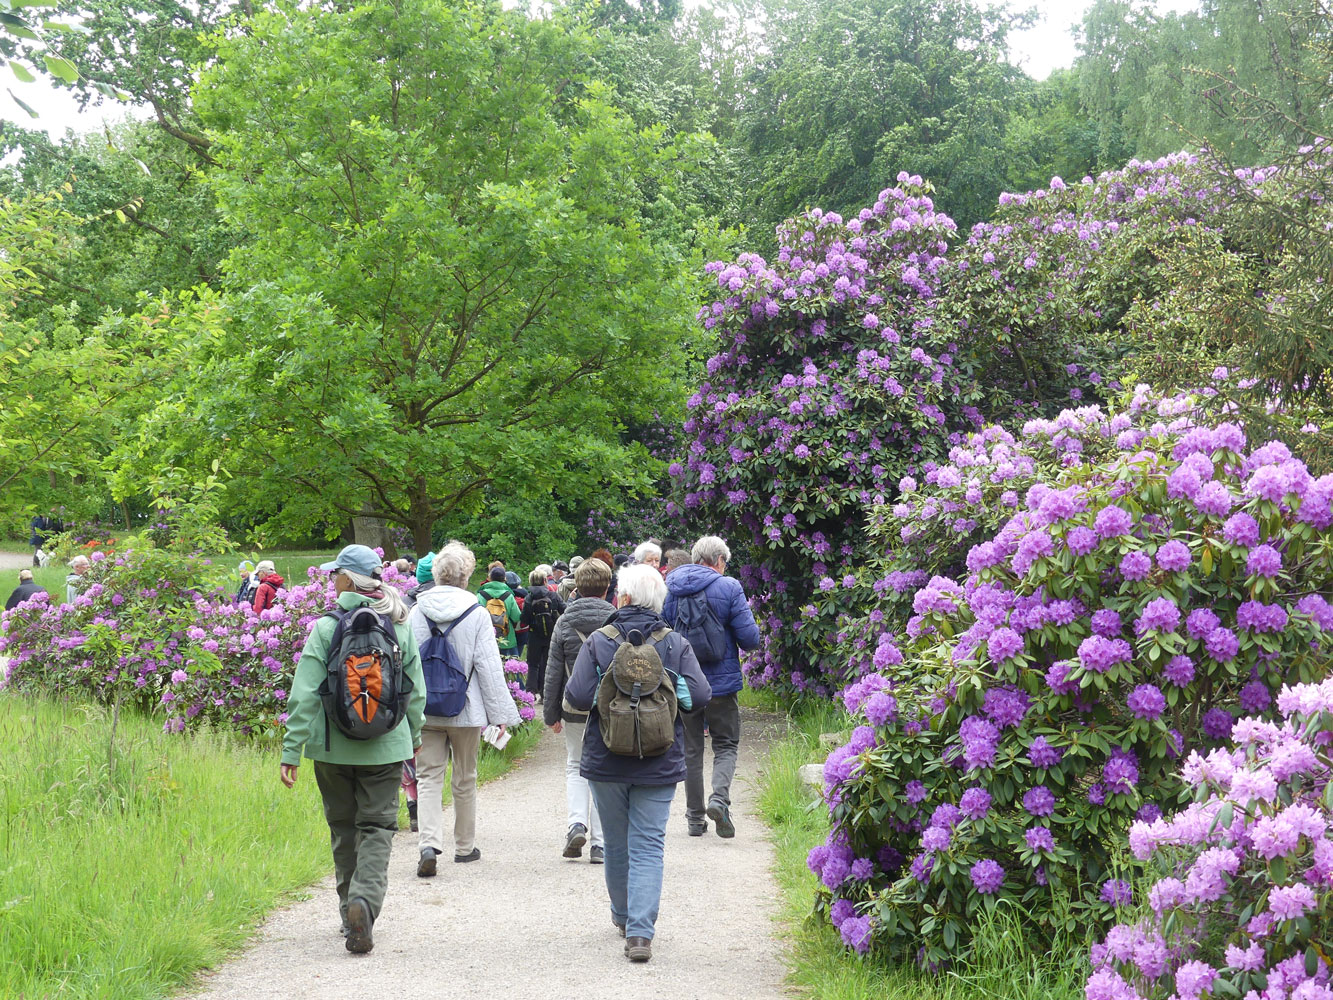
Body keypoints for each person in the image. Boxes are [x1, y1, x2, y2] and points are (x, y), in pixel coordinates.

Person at [279, 544, 425, 955]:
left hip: (331, 750)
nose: (331, 581)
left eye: (334, 574)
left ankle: (349, 913)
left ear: (346, 579)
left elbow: (305, 693)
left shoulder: (325, 628)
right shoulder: (398, 623)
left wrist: (292, 750)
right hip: (386, 747)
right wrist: (411, 737)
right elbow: (416, 692)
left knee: (343, 830)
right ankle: (365, 902)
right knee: (378, 828)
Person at [564, 563, 711, 963]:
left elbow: (576, 697)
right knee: (648, 844)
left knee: (615, 842)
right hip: (659, 759)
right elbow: (699, 697)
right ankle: (641, 935)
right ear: (658, 601)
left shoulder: (599, 640)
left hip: (606, 758)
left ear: (622, 597)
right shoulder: (674, 643)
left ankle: (623, 916)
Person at [411, 541, 522, 873]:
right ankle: (464, 846)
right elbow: (488, 667)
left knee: (428, 777)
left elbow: (409, 662)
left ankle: (428, 844)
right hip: (466, 708)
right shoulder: (476, 613)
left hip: (426, 708)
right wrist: (500, 715)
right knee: (465, 776)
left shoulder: (417, 611)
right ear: (467, 575)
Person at [662, 535, 761, 840]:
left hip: (685, 683)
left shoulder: (672, 588)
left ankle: (694, 820)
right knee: (726, 744)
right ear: (719, 561)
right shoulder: (729, 587)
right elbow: (750, 639)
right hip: (721, 684)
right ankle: (719, 800)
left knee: (691, 750)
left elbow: (664, 632)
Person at [543, 556, 615, 863]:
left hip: (574, 705)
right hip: (610, 708)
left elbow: (553, 670)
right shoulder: (616, 618)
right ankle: (600, 843)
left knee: (575, 765)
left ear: (577, 587)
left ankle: (576, 824)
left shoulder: (565, 621)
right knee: (605, 772)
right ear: (607, 587)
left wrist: (551, 713)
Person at [519, 565, 564, 699]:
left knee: (533, 665)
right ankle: (545, 695)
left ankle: (530, 693)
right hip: (551, 635)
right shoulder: (553, 595)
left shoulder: (528, 598)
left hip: (534, 636)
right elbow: (564, 610)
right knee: (547, 664)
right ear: (545, 581)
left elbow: (524, 620)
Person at [477, 566, 521, 658]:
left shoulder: (480, 595)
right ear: (505, 579)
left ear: (489, 578)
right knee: (507, 668)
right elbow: (517, 616)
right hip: (506, 638)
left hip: (485, 637)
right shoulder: (509, 596)